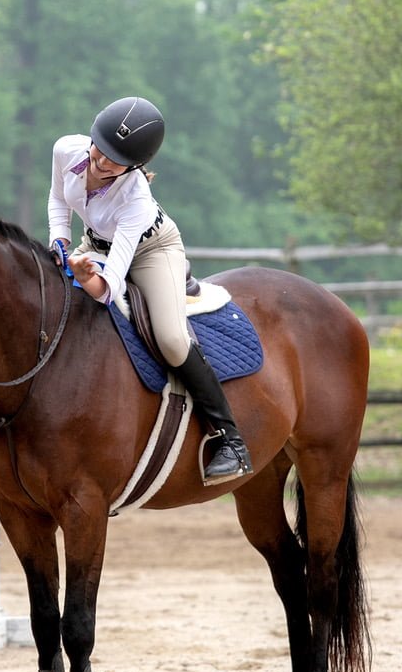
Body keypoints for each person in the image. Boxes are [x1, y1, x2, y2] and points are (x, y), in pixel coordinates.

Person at [48, 96, 253, 485]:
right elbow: (59, 198)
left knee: (173, 340)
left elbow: (108, 289)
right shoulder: (65, 149)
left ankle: (230, 439)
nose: (103, 161)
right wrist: (59, 240)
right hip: (94, 243)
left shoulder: (136, 197)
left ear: (138, 165)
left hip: (149, 250)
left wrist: (86, 275)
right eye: (101, 148)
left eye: (117, 158)